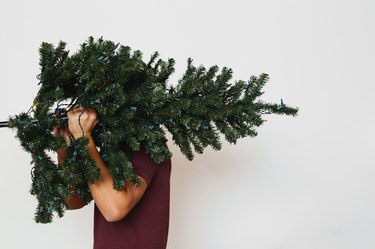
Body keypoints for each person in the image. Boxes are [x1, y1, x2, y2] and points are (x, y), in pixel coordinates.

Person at [54, 107, 172, 249]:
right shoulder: (111, 145)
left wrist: (83, 136)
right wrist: (63, 149)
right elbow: (73, 201)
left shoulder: (146, 142)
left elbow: (115, 209)